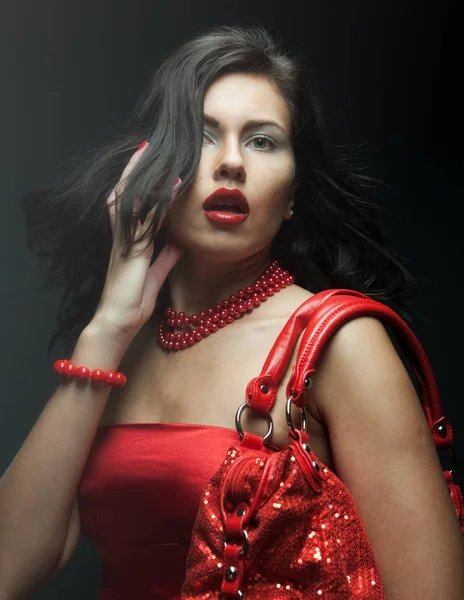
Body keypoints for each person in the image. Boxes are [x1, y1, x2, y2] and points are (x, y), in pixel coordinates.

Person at [1, 24, 463, 600]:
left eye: (263, 140)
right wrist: (109, 327)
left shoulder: (340, 342)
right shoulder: (122, 349)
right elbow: (11, 568)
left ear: (293, 194)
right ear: (154, 167)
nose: (231, 164)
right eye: (200, 136)